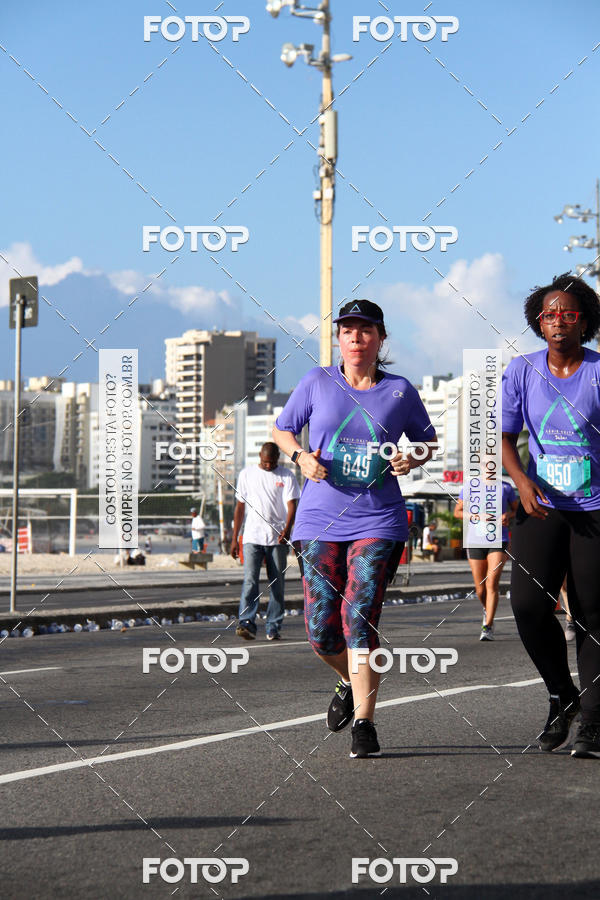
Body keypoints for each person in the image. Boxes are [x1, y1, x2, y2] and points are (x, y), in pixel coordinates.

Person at [272, 299, 436, 758]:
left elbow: (427, 442)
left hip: (379, 518)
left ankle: (366, 722)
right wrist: (300, 456)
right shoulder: (316, 381)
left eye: (365, 330)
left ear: (380, 338)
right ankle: (347, 678)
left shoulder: (400, 391)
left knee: (358, 619)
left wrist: (412, 456)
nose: (356, 338)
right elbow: (283, 429)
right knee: (322, 630)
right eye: (347, 330)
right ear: (338, 339)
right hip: (320, 519)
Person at [502, 273, 600, 759]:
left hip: (595, 511)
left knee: (590, 614)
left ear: (585, 322)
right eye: (548, 315)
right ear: (537, 324)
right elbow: (504, 437)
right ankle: (562, 695)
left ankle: (595, 725)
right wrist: (522, 482)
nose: (558, 322)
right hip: (540, 506)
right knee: (527, 605)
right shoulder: (522, 371)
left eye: (568, 314)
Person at [231, 442, 300, 641]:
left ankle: (273, 625)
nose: (268, 465)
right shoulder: (246, 474)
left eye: (272, 462)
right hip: (252, 537)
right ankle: (246, 622)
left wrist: (287, 531)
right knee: (250, 581)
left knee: (277, 584)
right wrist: (235, 538)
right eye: (265, 461)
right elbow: (239, 508)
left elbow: (292, 505)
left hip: (278, 538)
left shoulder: (287, 476)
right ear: (259, 456)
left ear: (278, 457)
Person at [454, 480, 518, 640]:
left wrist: (507, 515)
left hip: (498, 539)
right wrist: (476, 516)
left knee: (492, 583)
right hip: (475, 540)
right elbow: (457, 512)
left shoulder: (506, 487)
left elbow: (518, 510)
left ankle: (487, 626)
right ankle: (487, 609)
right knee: (480, 589)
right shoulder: (469, 486)